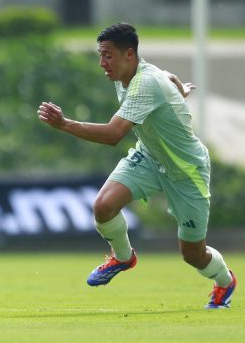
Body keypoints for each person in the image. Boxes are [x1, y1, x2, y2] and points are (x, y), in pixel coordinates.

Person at [37, 22, 236, 308]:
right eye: (100, 54)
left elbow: (113, 135)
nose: (102, 63)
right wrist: (179, 91)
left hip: (186, 170)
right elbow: (167, 76)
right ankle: (122, 257)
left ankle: (224, 281)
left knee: (193, 254)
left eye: (107, 55)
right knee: (103, 206)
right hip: (149, 157)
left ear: (129, 54)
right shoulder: (130, 74)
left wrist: (65, 123)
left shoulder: (145, 83)